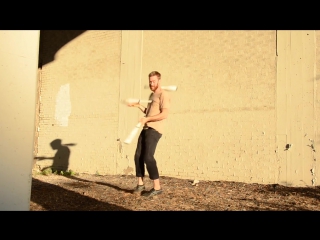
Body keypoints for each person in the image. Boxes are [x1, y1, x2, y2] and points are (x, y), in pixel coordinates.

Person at [127, 71, 170, 197]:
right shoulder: (152, 95)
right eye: (150, 81)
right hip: (146, 128)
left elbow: (164, 114)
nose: (151, 83)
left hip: (154, 129)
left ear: (159, 81)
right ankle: (140, 184)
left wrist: (147, 119)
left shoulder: (163, 94)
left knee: (148, 157)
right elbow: (149, 112)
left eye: (154, 81)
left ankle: (157, 187)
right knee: (138, 156)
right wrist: (137, 105)